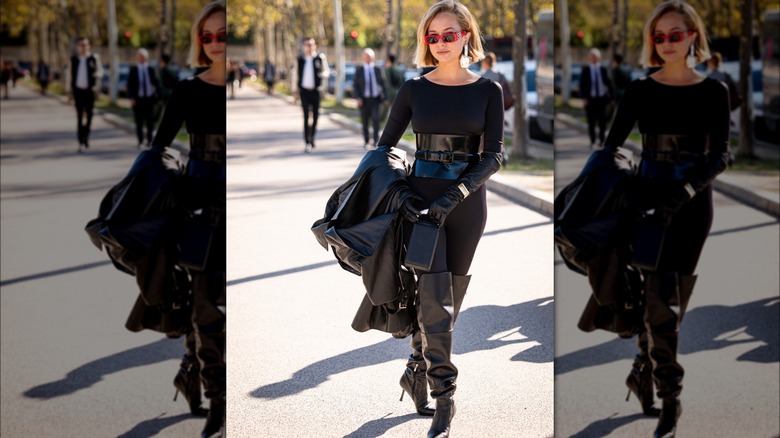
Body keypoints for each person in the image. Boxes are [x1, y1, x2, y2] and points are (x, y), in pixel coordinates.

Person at [597, 2, 729, 436]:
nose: (668, 42)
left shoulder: (714, 91)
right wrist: (627, 193)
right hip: (647, 205)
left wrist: (682, 195)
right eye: (659, 36)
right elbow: (611, 147)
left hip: (692, 207)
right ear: (652, 42)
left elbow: (720, 156)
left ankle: (642, 367)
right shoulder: (639, 90)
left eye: (676, 34)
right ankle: (672, 399)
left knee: (672, 301)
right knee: (658, 300)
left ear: (693, 35)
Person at [379, 1, 503, 436]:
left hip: (466, 209)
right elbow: (383, 152)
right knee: (434, 303)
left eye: (449, 34)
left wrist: (454, 196)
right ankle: (445, 399)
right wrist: (402, 195)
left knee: (448, 307)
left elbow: (493, 156)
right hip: (420, 206)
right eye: (433, 36)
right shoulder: (413, 90)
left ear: (466, 35)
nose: (441, 43)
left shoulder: (489, 91)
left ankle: (416, 367)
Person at [150, 1, 227, 436]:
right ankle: (217, 399)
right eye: (209, 36)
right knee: (205, 306)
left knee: (220, 306)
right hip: (198, 213)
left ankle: (190, 371)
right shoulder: (186, 90)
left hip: (240, 210)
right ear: (201, 42)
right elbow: (157, 147)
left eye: (224, 35)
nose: (217, 44)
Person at [296, 37, 329, 153]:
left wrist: (323, 75)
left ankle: (312, 137)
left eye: (311, 44)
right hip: (304, 91)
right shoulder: (301, 59)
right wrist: (294, 91)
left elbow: (327, 71)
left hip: (316, 91)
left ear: (314, 46)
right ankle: (307, 142)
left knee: (315, 116)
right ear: (304, 46)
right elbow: (296, 75)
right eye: (307, 45)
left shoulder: (320, 58)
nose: (309, 47)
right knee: (306, 116)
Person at [70, 37, 103, 152]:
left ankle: (86, 138)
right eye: (81, 45)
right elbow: (71, 75)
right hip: (78, 92)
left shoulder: (94, 58)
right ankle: (81, 142)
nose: (83, 47)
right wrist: (70, 93)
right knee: (79, 117)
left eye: (85, 45)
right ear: (78, 46)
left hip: (89, 92)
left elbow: (100, 71)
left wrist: (96, 78)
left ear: (89, 46)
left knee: (89, 117)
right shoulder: (74, 59)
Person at [579, 48, 613, 148]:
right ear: (590, 58)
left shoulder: (603, 69)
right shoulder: (586, 70)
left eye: (596, 57)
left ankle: (602, 140)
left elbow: (608, 83)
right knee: (591, 122)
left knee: (602, 121)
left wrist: (610, 97)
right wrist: (584, 98)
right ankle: (592, 140)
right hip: (591, 100)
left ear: (599, 58)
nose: (594, 58)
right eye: (592, 56)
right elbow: (582, 85)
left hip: (601, 99)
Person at [354, 48, 386, 150]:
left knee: (376, 119)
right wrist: (358, 97)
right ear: (363, 57)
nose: (368, 58)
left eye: (370, 56)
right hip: (364, 99)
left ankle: (376, 141)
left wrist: (384, 97)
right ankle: (366, 141)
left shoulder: (378, 69)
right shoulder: (359, 70)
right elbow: (356, 85)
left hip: (375, 99)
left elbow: (383, 84)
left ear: (373, 57)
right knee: (365, 121)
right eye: (366, 56)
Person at [128, 48, 161, 149]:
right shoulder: (134, 70)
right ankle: (140, 140)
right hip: (138, 99)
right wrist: (131, 98)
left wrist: (158, 97)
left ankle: (149, 141)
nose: (142, 58)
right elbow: (130, 85)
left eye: (144, 56)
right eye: (140, 56)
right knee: (139, 122)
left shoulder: (151, 69)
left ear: (147, 58)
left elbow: (157, 83)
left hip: (149, 99)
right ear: (137, 57)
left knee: (150, 121)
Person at [381, 54, 404, 121]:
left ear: (388, 60)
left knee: (385, 108)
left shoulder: (387, 69)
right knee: (396, 109)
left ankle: (382, 120)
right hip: (397, 92)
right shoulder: (398, 70)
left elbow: (386, 82)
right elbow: (401, 81)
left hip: (389, 92)